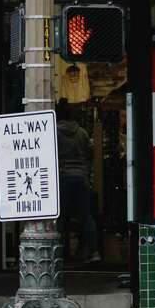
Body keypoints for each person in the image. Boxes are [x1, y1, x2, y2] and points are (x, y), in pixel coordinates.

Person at [56, 101, 99, 262]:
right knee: (86, 216)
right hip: (81, 176)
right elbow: (90, 154)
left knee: (60, 217)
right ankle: (94, 251)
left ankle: (59, 253)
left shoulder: (54, 132)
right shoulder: (82, 133)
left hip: (63, 176)